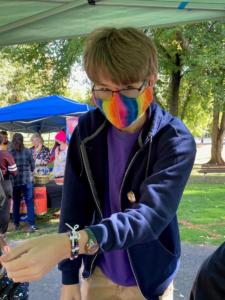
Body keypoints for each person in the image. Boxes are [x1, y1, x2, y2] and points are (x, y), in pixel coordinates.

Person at [0, 27, 196, 300]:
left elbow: (150, 216)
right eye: (103, 89)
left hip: (149, 280)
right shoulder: (87, 131)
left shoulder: (174, 139)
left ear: (151, 80)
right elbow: (74, 205)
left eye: (128, 88)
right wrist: (69, 277)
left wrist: (67, 245)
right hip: (99, 270)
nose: (115, 102)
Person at [10, 133, 37, 233]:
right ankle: (32, 225)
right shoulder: (28, 151)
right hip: (27, 180)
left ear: (13, 141)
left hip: (15, 181)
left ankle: (16, 224)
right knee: (29, 202)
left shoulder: (10, 152)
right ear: (23, 140)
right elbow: (33, 166)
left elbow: (9, 168)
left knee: (16, 203)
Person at [0, 134, 17, 235]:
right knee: (5, 209)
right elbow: (14, 171)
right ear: (2, 141)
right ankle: (3, 233)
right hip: (4, 182)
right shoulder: (5, 154)